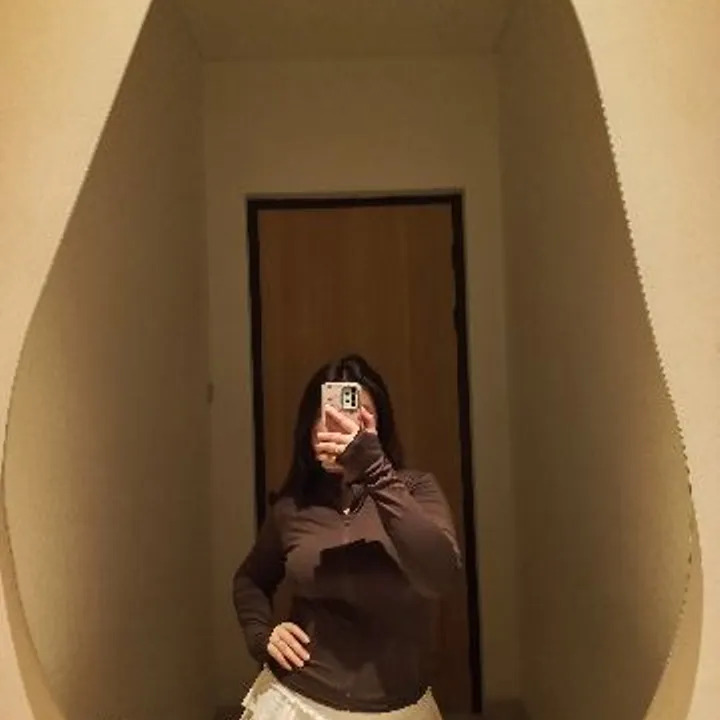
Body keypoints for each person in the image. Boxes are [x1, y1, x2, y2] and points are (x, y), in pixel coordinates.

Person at [233, 354, 462, 719]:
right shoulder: (293, 506)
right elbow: (250, 579)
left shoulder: (415, 489)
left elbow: (439, 575)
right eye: (328, 416)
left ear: (379, 426)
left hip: (400, 709)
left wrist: (374, 470)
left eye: (359, 416)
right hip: (296, 703)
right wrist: (262, 634)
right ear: (309, 429)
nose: (343, 427)